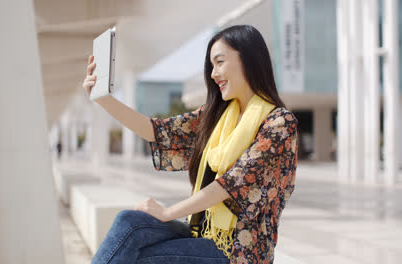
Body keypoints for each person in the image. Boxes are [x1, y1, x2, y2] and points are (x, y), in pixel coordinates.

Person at [83, 25, 298, 264]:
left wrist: (166, 212)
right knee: (129, 222)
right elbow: (158, 131)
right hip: (201, 232)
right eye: (212, 66)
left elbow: (230, 184)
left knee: (141, 258)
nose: (214, 74)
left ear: (248, 59)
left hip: (239, 253)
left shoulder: (279, 124)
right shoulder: (217, 116)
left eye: (220, 62)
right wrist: (104, 98)